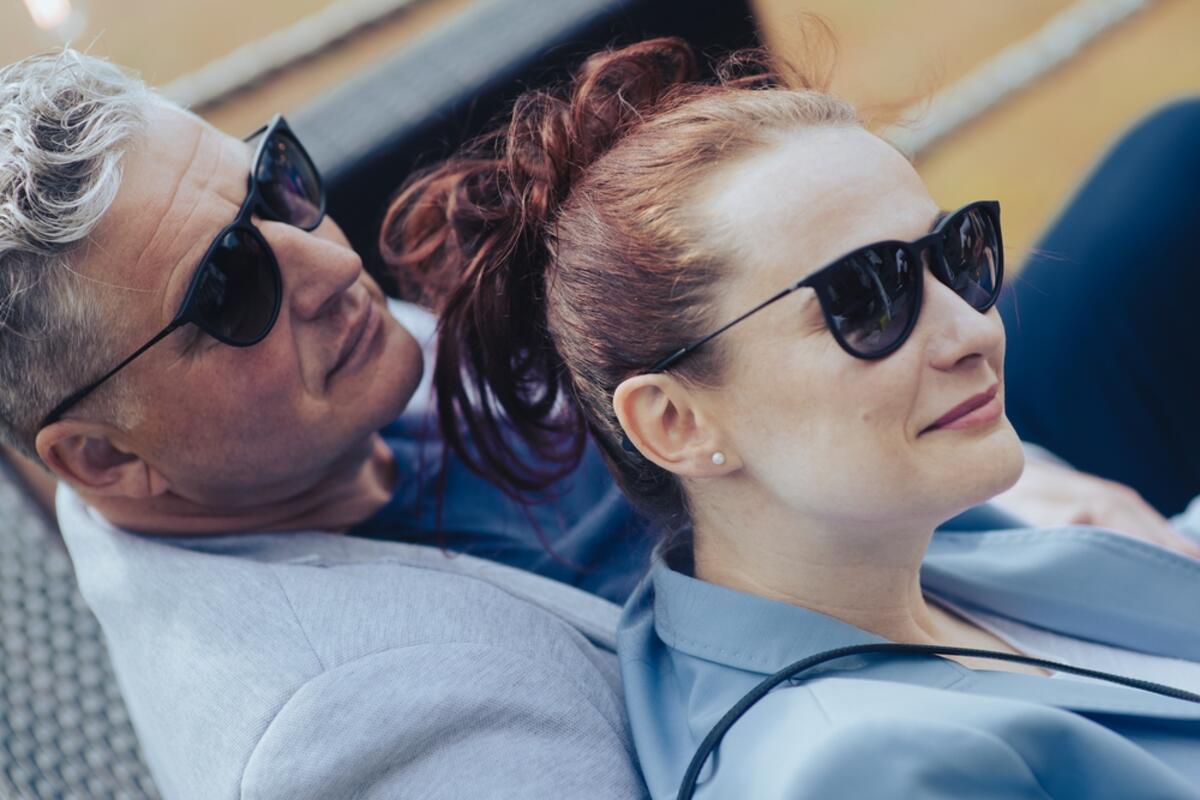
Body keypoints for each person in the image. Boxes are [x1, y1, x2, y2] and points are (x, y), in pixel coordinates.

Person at [386, 36, 1200, 799]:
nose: (973, 332)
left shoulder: (893, 560)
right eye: (868, 298)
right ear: (675, 422)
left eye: (956, 253)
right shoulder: (864, 770)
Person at [0, 50, 651, 798]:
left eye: (271, 189)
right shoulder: (362, 739)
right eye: (230, 286)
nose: (334, 264)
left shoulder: (299, 422)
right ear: (103, 459)